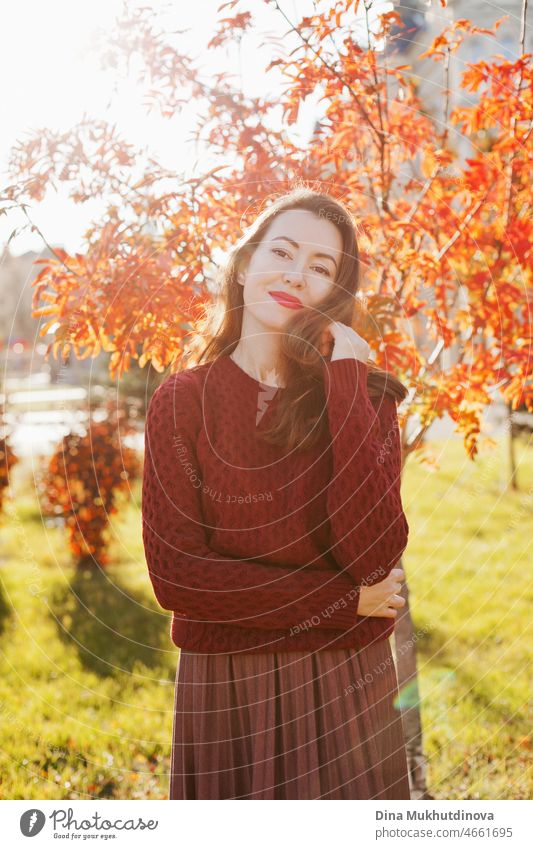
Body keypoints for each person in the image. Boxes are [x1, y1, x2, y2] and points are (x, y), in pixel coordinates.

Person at [141, 187, 411, 800]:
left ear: (336, 293)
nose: (297, 275)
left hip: (348, 684)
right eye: (283, 252)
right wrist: (343, 607)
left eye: (321, 268)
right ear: (243, 264)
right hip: (228, 688)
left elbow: (373, 558)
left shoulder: (369, 397)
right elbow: (179, 579)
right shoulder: (181, 401)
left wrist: (345, 381)